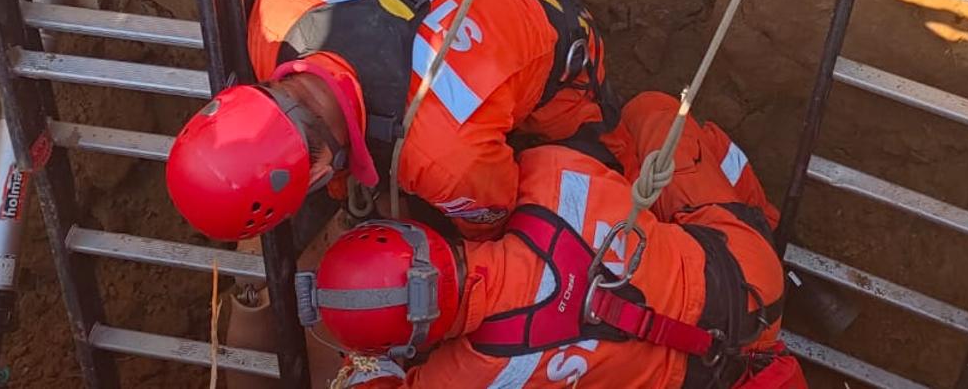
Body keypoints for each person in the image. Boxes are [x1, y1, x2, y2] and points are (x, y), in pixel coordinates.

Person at [299, 93, 805, 389]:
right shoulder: (550, 178)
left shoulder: (474, 372)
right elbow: (594, 151)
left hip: (708, 372)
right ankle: (767, 226)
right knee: (652, 113)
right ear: (420, 236)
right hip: (750, 276)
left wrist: (362, 358)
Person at [164, 0, 612, 242]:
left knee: (594, 148)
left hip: (551, 15)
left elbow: (490, 222)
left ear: (317, 174)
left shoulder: (444, 161)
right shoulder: (272, 17)